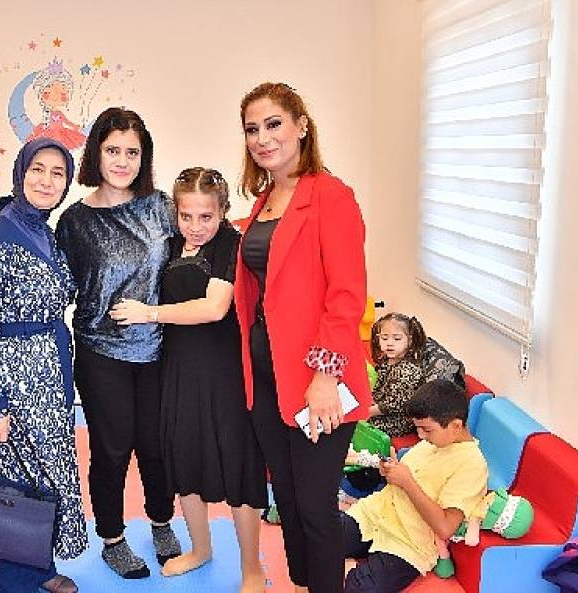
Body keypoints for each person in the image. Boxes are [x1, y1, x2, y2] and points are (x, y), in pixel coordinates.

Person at [232, 82, 373, 593]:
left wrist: (325, 376)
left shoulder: (330, 195)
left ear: (301, 126)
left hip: (316, 379)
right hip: (267, 375)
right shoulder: (265, 201)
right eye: (252, 129)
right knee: (288, 500)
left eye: (274, 124)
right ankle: (303, 584)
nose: (263, 138)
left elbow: (347, 295)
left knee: (314, 506)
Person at [109, 167, 268, 592]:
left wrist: (149, 313)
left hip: (224, 373)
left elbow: (215, 307)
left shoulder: (229, 242)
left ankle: (252, 567)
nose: (196, 226)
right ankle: (200, 549)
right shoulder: (170, 244)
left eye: (206, 216)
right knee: (184, 457)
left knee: (237, 464)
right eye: (187, 216)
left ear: (222, 212)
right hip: (177, 369)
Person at [55, 106, 182, 579]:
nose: (123, 161)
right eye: (113, 150)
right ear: (96, 153)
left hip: (158, 347)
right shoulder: (75, 221)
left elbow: (194, 254)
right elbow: (56, 285)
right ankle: (111, 537)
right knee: (111, 448)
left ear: (143, 157)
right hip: (99, 350)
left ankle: (162, 521)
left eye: (133, 152)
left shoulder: (161, 207)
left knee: (156, 444)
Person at [0, 137, 86, 593]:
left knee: (45, 476)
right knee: (13, 483)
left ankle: (41, 568)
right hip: (13, 382)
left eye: (58, 173)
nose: (47, 181)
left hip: (49, 377)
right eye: (38, 169)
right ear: (20, 174)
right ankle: (17, 583)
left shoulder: (45, 233)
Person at [341, 380, 489, 593]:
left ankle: (349, 568)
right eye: (418, 428)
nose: (420, 436)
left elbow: (445, 528)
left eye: (426, 430)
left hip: (407, 543)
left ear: (456, 426)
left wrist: (407, 482)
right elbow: (405, 478)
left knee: (359, 589)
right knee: (314, 541)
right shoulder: (431, 442)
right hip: (373, 515)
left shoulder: (472, 464)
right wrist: (391, 472)